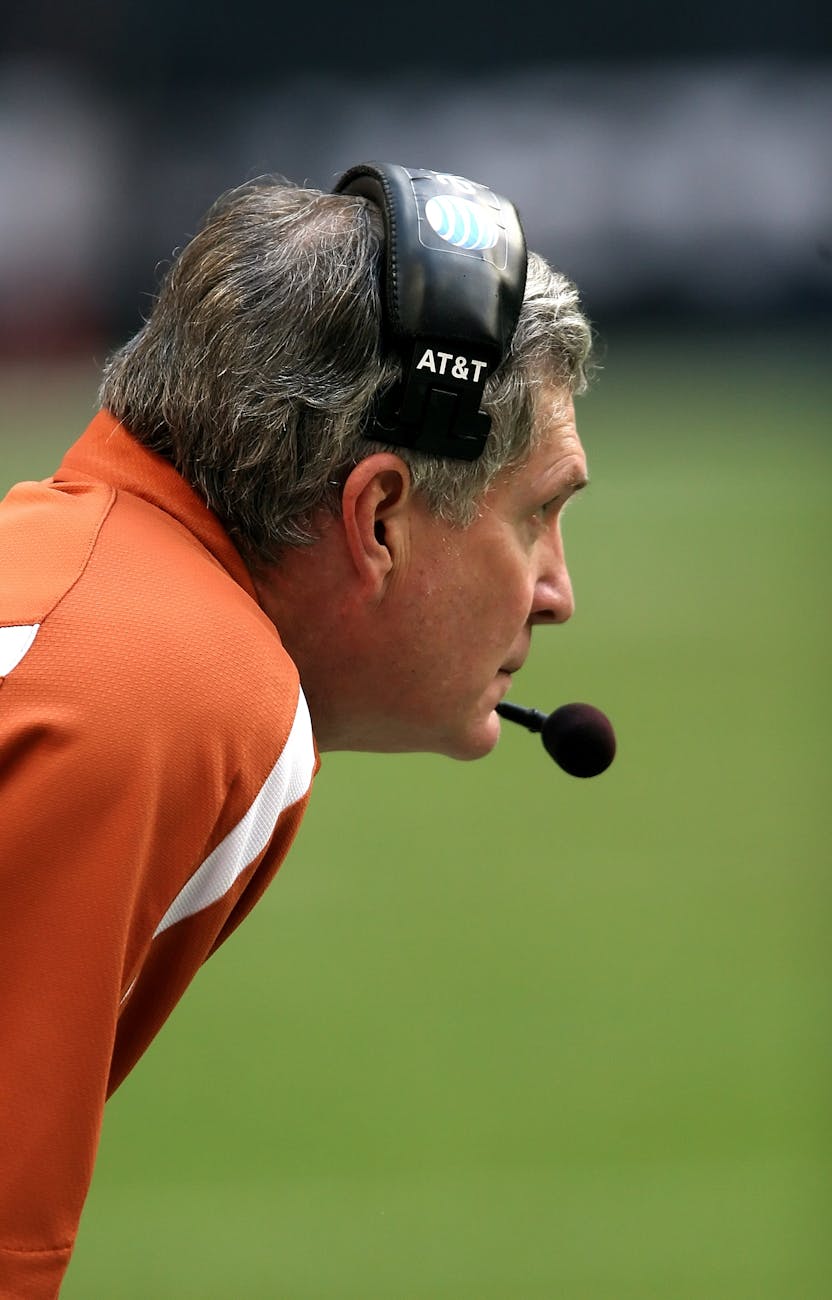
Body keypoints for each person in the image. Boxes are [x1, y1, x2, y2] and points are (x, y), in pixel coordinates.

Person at [0, 166, 594, 1295]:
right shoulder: (189, 690)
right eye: (539, 516)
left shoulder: (77, 581)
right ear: (377, 516)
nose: (558, 589)